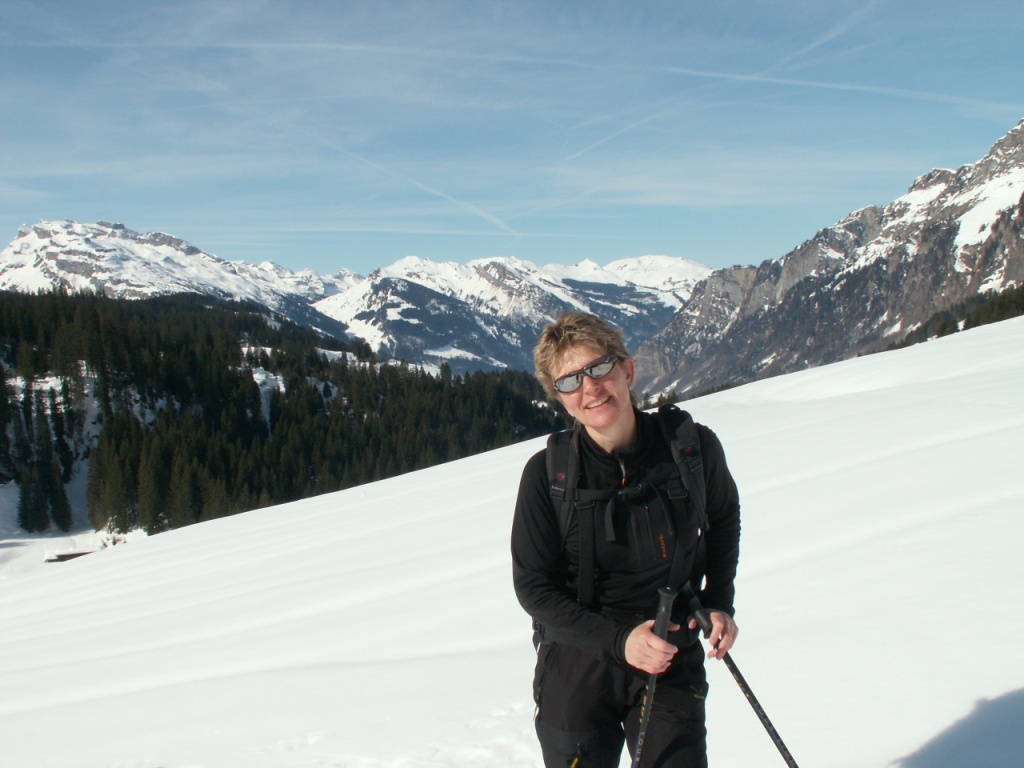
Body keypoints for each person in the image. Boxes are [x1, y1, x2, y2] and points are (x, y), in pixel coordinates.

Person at [511, 311, 741, 768]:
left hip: (669, 649)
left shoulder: (690, 449)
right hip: (578, 661)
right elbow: (533, 587)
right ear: (560, 399)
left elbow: (723, 520)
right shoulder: (547, 476)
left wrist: (719, 601)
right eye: (570, 381)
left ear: (628, 371)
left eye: (599, 367)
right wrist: (620, 641)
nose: (590, 388)